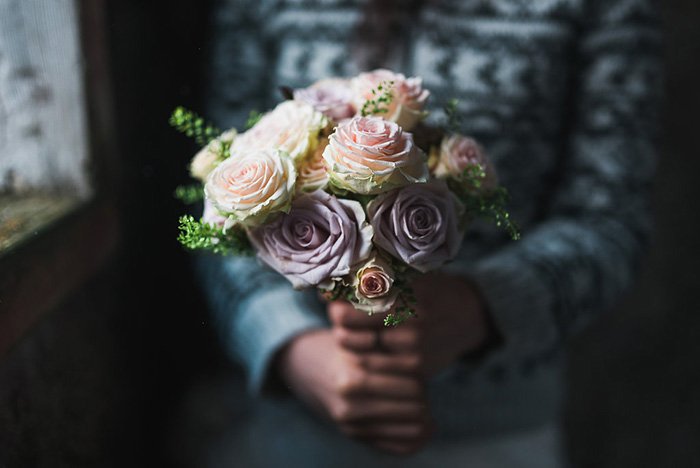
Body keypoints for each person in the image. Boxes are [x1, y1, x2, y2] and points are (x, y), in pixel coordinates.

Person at [193, 0, 664, 466]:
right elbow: (220, 195)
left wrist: (480, 306)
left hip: (498, 435)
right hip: (295, 425)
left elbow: (610, 219)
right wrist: (291, 347)